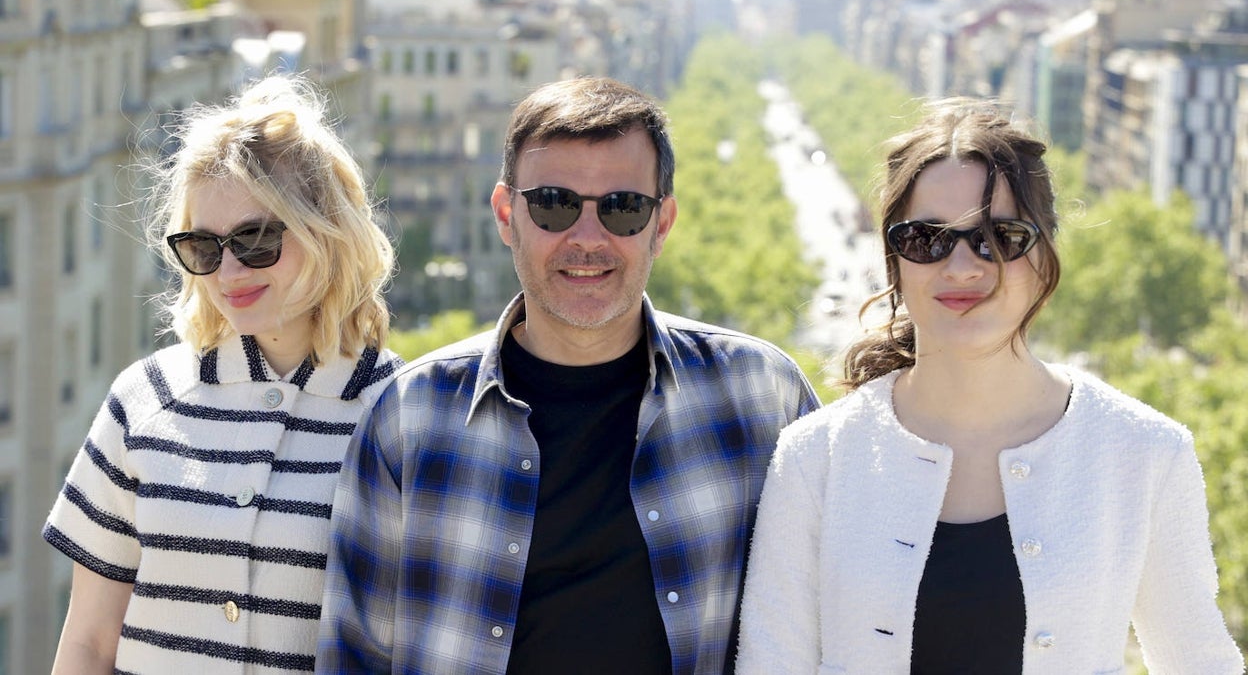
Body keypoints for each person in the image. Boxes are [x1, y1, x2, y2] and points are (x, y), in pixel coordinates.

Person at [315, 76, 820, 674]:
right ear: (507, 215)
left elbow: (827, 619)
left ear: (662, 224)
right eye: (553, 204)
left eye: (623, 209)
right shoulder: (410, 416)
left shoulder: (762, 396)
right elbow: (354, 656)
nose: (587, 239)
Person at [736, 98, 1245, 673]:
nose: (961, 267)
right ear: (894, 259)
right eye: (927, 239)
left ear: (1046, 253)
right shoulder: (814, 458)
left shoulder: (1147, 453)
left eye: (998, 237)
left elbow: (1201, 661)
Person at [43, 75, 403, 673]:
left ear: (328, 233)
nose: (229, 270)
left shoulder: (403, 413)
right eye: (204, 247)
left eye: (256, 239)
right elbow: (87, 640)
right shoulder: (144, 400)